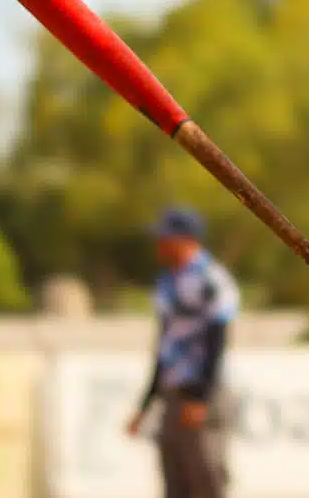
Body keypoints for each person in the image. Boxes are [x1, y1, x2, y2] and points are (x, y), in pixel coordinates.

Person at [126, 205, 238, 498]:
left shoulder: (209, 278)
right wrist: (145, 404)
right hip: (172, 394)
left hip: (199, 394)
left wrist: (201, 397)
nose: (158, 245)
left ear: (186, 239)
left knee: (206, 480)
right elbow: (165, 347)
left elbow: (218, 338)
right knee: (175, 485)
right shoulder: (167, 281)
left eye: (165, 238)